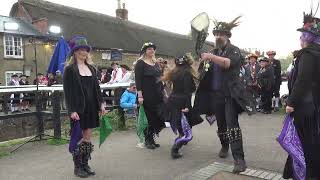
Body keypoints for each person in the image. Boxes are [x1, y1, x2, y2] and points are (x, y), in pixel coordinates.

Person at [198, 16, 255, 173]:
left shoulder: (233, 50)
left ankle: (239, 160)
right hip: (215, 95)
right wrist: (202, 67)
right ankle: (224, 145)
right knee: (221, 126)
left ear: (228, 36)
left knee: (232, 125)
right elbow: (203, 71)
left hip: (230, 95)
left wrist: (210, 57)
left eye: (221, 34)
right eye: (216, 34)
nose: (218, 37)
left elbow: (227, 63)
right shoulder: (213, 51)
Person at [282, 11, 320, 179]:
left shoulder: (307, 55)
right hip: (314, 106)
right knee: (309, 140)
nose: (300, 40)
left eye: (301, 37)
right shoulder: (316, 54)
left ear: (306, 38)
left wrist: (291, 102)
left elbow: (302, 81)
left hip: (305, 107)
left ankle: (306, 174)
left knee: (303, 142)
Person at [63, 36, 106, 178]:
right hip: (79, 109)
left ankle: (85, 163)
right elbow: (68, 92)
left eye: (85, 50)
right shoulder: (70, 69)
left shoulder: (92, 69)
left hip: (92, 107)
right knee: (79, 138)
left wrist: (101, 104)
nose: (83, 52)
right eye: (80, 50)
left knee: (87, 138)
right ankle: (77, 167)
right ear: (75, 52)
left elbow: (97, 89)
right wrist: (72, 110)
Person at [162, 53, 201, 159]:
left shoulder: (174, 72)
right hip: (182, 101)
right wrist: (187, 105)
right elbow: (188, 91)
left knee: (181, 122)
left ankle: (180, 138)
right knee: (186, 130)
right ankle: (175, 149)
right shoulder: (186, 73)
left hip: (173, 100)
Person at [135, 42, 165, 149]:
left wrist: (163, 92)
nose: (151, 51)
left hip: (157, 94)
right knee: (148, 117)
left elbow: (159, 78)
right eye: (149, 49)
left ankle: (151, 138)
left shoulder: (155, 63)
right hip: (146, 94)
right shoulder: (140, 63)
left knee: (157, 116)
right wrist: (140, 96)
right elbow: (138, 81)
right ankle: (147, 140)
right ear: (144, 51)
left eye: (153, 49)